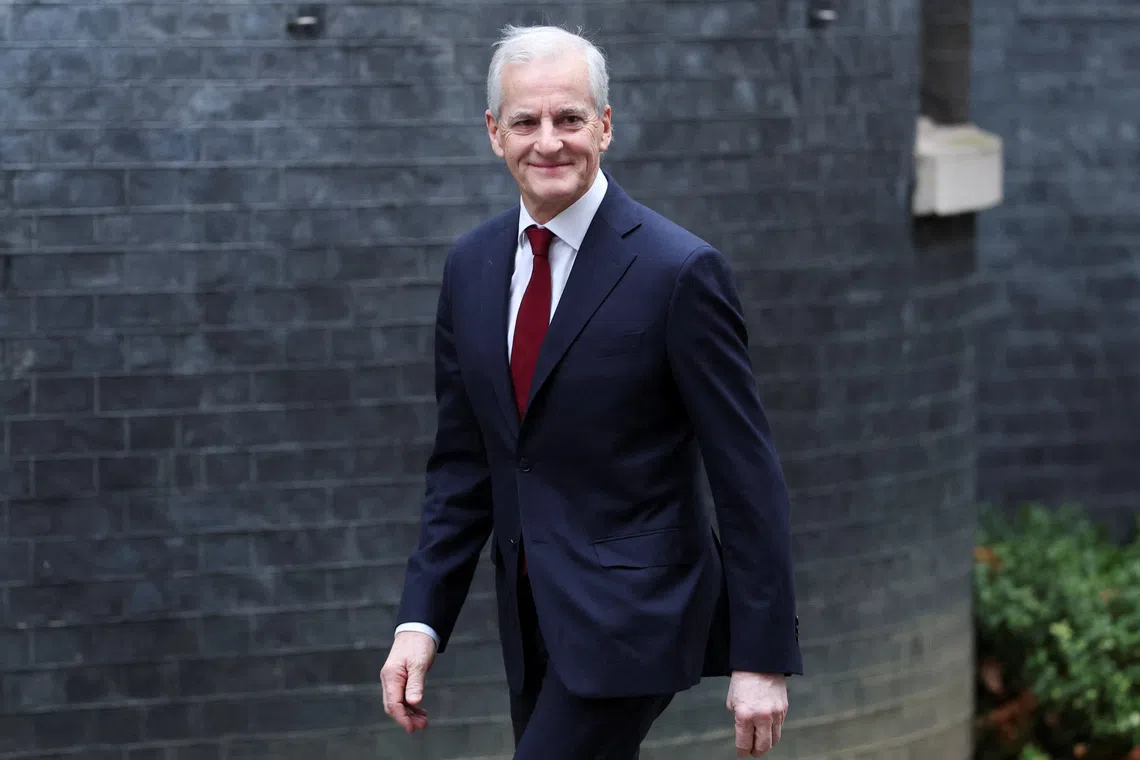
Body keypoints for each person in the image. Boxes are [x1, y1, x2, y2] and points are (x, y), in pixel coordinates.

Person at [380, 24, 802, 760]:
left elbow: (747, 472)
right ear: (494, 134)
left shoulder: (679, 273)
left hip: (637, 613)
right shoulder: (471, 267)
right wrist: (420, 623)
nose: (549, 141)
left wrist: (760, 655)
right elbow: (463, 466)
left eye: (570, 118)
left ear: (605, 126)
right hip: (531, 612)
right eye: (527, 122)